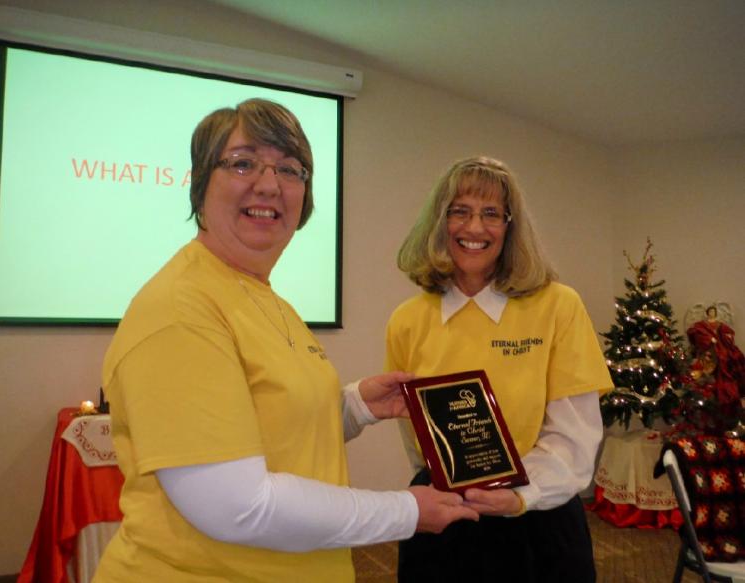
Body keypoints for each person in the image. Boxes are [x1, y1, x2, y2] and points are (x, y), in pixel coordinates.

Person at [93, 98, 478, 583]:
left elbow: (267, 428)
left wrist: (357, 405)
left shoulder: (264, 297)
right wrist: (405, 511)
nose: (270, 184)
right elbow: (236, 507)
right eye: (243, 163)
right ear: (199, 183)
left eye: (291, 170)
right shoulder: (181, 309)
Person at [385, 156, 614, 582]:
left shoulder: (559, 306)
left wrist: (520, 495)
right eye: (460, 211)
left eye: (491, 214)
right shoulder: (407, 319)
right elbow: (416, 438)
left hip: (536, 520)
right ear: (439, 222)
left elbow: (576, 437)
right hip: (444, 518)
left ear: (510, 227)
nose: (474, 228)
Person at [687, 305, 745, 422]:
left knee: (727, 356)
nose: (712, 314)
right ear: (708, 313)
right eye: (711, 312)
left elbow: (729, 332)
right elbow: (695, 333)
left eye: (714, 312)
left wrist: (725, 337)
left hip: (720, 345)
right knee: (715, 357)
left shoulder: (719, 324)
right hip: (709, 348)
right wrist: (709, 339)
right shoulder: (702, 325)